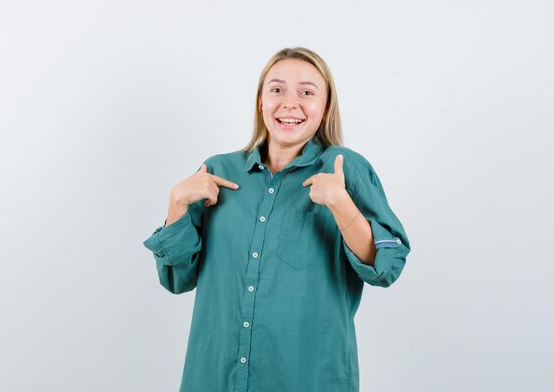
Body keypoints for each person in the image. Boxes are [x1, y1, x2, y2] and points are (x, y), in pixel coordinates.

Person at [143, 47, 411, 392]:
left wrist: (341, 204)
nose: (290, 103)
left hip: (307, 379)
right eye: (277, 89)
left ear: (325, 106)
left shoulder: (344, 168)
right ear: (260, 102)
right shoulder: (218, 172)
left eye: (307, 92)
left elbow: (387, 267)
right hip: (213, 379)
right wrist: (176, 204)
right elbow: (177, 280)